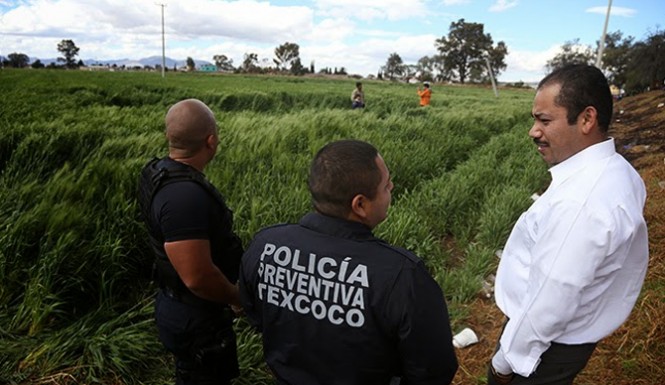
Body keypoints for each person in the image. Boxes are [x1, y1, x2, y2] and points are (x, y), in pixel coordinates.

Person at [238, 139, 458, 385]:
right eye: (386, 185)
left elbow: (256, 316)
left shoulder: (264, 246)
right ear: (360, 205)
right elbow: (433, 370)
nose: (392, 187)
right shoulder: (402, 276)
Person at [488, 64, 649, 385]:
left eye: (544, 120)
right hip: (569, 336)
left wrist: (504, 363)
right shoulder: (617, 170)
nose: (533, 131)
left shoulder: (581, 203)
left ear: (587, 119)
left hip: (543, 349)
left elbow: (550, 303)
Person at [138, 98, 244, 385]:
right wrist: (236, 297)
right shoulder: (185, 197)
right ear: (211, 141)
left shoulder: (158, 172)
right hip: (195, 317)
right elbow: (197, 276)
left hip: (179, 307)